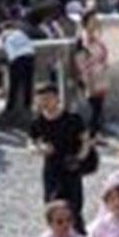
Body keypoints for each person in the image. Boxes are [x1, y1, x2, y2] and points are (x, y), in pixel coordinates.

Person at [27, 82, 93, 216]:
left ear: (57, 98)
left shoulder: (73, 119)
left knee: (74, 206)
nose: (44, 102)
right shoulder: (37, 122)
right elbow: (30, 143)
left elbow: (85, 140)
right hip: (51, 169)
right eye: (41, 99)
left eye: (48, 98)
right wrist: (39, 149)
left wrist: (80, 157)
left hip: (71, 166)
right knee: (52, 206)